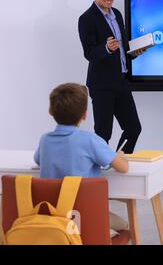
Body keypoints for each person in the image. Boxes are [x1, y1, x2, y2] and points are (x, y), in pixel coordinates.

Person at [34, 83, 129, 234]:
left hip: (53, 217)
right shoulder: (90, 140)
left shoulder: (44, 140)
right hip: (84, 215)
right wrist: (118, 156)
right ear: (85, 115)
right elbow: (123, 168)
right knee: (124, 226)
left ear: (50, 111)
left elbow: (38, 160)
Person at [78, 0, 145, 154]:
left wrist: (134, 53)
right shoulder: (86, 19)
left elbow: (122, 48)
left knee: (133, 128)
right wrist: (106, 48)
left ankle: (118, 162)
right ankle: (99, 172)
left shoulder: (117, 14)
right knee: (103, 133)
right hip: (101, 85)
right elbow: (89, 53)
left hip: (121, 82)